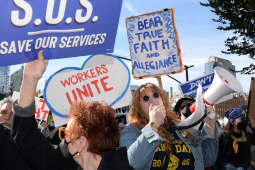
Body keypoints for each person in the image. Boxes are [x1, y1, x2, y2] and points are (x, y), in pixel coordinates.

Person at [11, 50, 134, 170]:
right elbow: (26, 137)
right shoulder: (66, 164)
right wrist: (29, 80)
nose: (63, 139)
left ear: (81, 143)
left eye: (66, 134)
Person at [119, 83, 219, 170]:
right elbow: (131, 164)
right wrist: (153, 125)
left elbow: (207, 160)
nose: (152, 100)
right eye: (145, 98)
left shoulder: (182, 127)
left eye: (155, 95)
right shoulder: (131, 131)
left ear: (163, 100)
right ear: (138, 107)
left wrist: (210, 125)